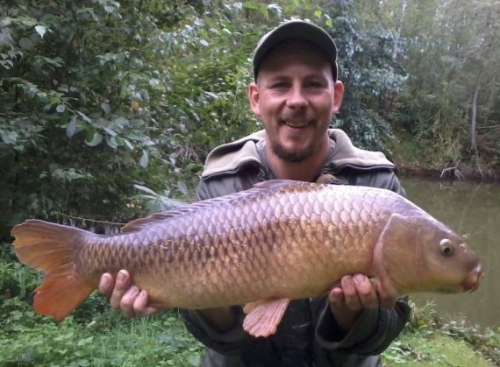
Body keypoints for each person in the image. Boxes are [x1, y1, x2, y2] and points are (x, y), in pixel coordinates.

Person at [99, 20, 411, 367]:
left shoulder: (377, 187)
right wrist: (196, 294)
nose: (296, 100)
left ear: (335, 96)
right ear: (256, 98)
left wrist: (351, 316)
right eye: (280, 85)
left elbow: (392, 324)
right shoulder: (223, 180)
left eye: (312, 84)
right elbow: (221, 341)